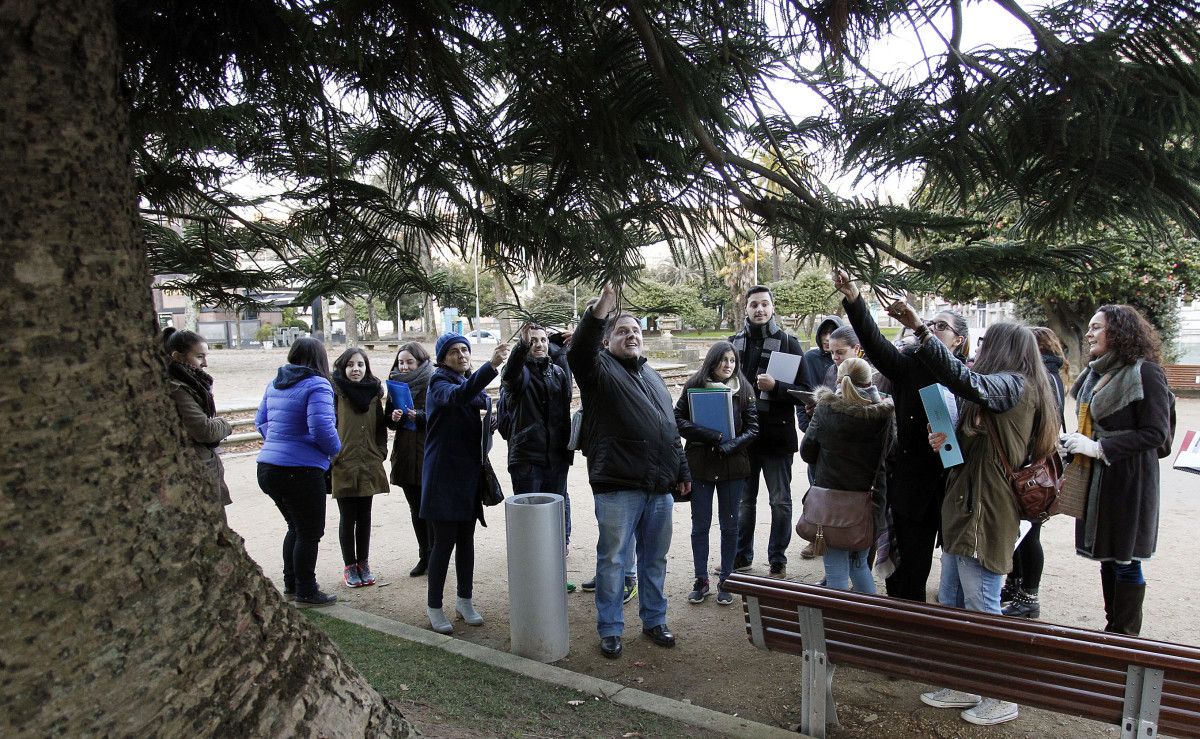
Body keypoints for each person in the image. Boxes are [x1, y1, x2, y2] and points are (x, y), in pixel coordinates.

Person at [889, 301, 1058, 727]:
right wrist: (946, 440)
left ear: (1002, 350)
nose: (979, 350)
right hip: (964, 507)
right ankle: (964, 680)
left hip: (987, 510)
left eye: (986, 344)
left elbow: (966, 380)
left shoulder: (1015, 387)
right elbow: (973, 445)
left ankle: (1000, 695)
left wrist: (920, 331)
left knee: (982, 604)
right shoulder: (1002, 390)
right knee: (952, 599)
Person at [568, 282, 690, 659]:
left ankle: (654, 621)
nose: (631, 336)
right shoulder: (598, 370)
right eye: (622, 331)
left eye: (636, 330)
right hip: (619, 485)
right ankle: (611, 628)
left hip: (659, 486)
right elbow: (580, 351)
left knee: (654, 558)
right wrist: (602, 306)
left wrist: (682, 470)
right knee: (614, 559)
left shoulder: (652, 375)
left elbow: (669, 429)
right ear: (607, 341)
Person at [833, 269, 967, 601]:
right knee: (908, 573)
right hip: (915, 489)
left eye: (941, 326)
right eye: (930, 324)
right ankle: (905, 633)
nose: (932, 329)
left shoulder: (971, 377)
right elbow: (876, 347)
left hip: (959, 488)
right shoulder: (910, 364)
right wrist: (855, 299)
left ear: (959, 340)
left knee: (960, 579)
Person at [1064, 305, 1170, 636]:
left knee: (1127, 559)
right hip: (1100, 481)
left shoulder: (1146, 373)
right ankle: (1113, 629)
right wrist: (1075, 442)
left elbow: (1157, 434)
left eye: (1097, 327)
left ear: (1120, 332)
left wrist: (1099, 447)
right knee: (1109, 556)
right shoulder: (1094, 373)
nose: (1089, 333)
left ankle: (1125, 636)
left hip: (1130, 482)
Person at [421, 332, 509, 634]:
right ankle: (434, 606)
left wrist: (490, 422)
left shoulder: (465, 383)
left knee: (466, 542)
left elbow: (480, 401)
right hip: (443, 477)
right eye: (455, 351)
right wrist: (491, 366)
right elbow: (457, 399)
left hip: (468, 475)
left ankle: (464, 599)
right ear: (442, 357)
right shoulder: (439, 383)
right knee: (442, 544)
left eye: (465, 350)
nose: (462, 355)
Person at [255, 337, 342, 606]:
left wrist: (281, 442)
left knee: (295, 526)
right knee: (309, 531)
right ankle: (306, 589)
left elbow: (261, 422)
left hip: (268, 467)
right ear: (320, 359)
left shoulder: (275, 383)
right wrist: (334, 451)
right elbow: (321, 428)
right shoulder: (318, 385)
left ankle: (292, 584)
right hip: (300, 471)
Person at [674, 341, 759, 605]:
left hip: (733, 465)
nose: (728, 365)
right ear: (712, 361)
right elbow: (677, 419)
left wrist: (729, 445)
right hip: (700, 464)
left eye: (732, 361)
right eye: (723, 360)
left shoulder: (743, 388)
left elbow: (753, 428)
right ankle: (701, 579)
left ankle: (727, 579)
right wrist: (712, 436)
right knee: (700, 524)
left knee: (730, 524)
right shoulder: (693, 386)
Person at [730, 285, 806, 578]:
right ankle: (741, 555)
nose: (759, 310)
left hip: (776, 436)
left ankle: (777, 558)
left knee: (780, 501)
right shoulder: (732, 343)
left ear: (773, 307)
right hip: (743, 437)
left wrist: (777, 388)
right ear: (746, 309)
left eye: (764, 304)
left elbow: (807, 391)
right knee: (744, 502)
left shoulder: (788, 342)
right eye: (753, 305)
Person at [799, 357, 893, 593]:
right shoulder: (883, 416)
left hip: (830, 505)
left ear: (839, 380)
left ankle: (837, 626)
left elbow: (807, 452)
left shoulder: (826, 409)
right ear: (870, 380)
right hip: (869, 503)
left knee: (835, 572)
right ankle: (866, 622)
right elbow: (890, 455)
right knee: (860, 565)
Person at [1002, 326, 1068, 618]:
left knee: (1030, 533)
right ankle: (1015, 585)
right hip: (1031, 463)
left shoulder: (1045, 379)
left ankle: (1029, 595)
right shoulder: (1050, 376)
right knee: (1022, 531)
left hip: (1034, 467)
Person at [502, 324, 574, 545]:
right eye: (533, 341)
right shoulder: (519, 373)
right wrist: (521, 346)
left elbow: (564, 408)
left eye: (543, 340)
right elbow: (509, 373)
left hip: (557, 454)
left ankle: (558, 547)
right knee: (530, 510)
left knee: (556, 507)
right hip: (527, 455)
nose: (539, 344)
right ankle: (530, 552)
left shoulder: (558, 372)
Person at [800, 323, 866, 559]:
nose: (835, 358)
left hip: (854, 466)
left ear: (856, 349)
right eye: (832, 353)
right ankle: (822, 545)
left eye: (840, 352)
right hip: (827, 457)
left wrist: (823, 417)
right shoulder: (831, 371)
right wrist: (814, 413)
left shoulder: (869, 377)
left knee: (855, 525)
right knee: (828, 514)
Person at [330, 348, 389, 589]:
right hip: (343, 462)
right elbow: (329, 423)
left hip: (369, 461)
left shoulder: (374, 392)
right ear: (343, 367)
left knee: (365, 517)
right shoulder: (335, 392)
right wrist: (334, 455)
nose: (356, 369)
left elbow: (380, 427)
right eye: (351, 365)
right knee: (348, 517)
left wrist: (380, 452)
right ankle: (349, 565)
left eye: (361, 365)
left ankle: (363, 563)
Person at [162, 328, 233, 515]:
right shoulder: (177, 388)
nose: (205, 364)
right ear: (177, 356)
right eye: (199, 357)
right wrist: (225, 424)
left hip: (204, 464)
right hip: (196, 469)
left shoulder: (193, 384)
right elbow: (204, 430)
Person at [384, 342, 434, 577]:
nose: (403, 367)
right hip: (405, 453)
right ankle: (424, 555)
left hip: (428, 452)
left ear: (420, 362)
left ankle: (436, 555)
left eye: (409, 362)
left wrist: (420, 416)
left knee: (430, 508)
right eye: (401, 362)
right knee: (415, 508)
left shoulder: (432, 381)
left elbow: (440, 414)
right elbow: (388, 420)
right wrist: (393, 416)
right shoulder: (395, 383)